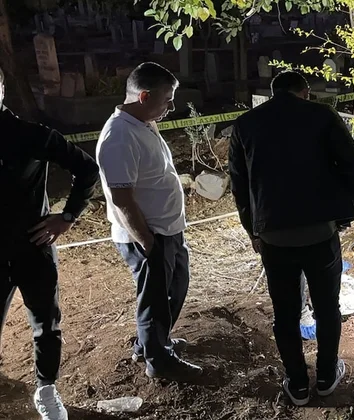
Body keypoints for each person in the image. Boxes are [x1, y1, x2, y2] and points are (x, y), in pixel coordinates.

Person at [229, 71, 354, 406]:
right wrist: (344, 211)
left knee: (286, 312)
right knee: (326, 307)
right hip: (320, 231)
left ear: (274, 93)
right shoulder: (321, 115)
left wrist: (253, 230)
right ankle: (327, 375)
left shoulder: (246, 124)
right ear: (304, 91)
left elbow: (239, 184)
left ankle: (297, 382)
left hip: (274, 236)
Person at [0, 66, 100, 419]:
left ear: (1, 88)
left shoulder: (30, 135)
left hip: (33, 246)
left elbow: (87, 168)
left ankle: (46, 388)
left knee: (45, 321)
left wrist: (68, 216)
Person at [96, 62, 202, 383]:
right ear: (143, 96)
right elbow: (122, 200)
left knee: (174, 288)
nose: (170, 106)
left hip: (167, 231)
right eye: (166, 99)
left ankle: (154, 341)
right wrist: (148, 243)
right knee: (155, 300)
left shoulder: (142, 122)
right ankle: (158, 360)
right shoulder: (119, 137)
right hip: (147, 236)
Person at [299, 176, 354, 340]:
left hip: (310, 225)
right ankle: (302, 316)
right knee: (301, 271)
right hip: (300, 229)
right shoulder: (347, 194)